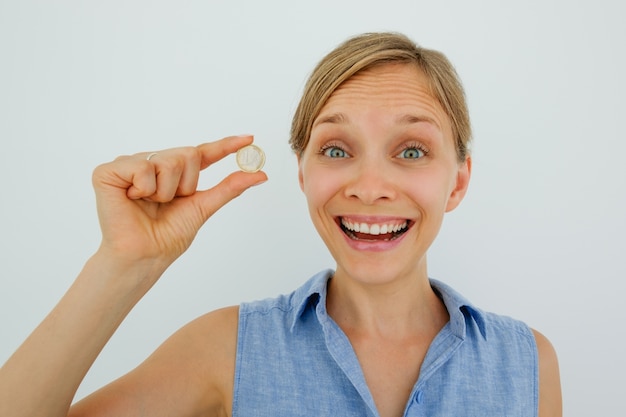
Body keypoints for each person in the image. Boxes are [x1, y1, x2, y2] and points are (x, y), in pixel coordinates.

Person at [0, 32, 561, 417]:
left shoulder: (527, 363)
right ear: (302, 174)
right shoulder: (225, 348)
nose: (369, 185)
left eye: (411, 151)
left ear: (457, 182)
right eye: (336, 150)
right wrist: (123, 262)